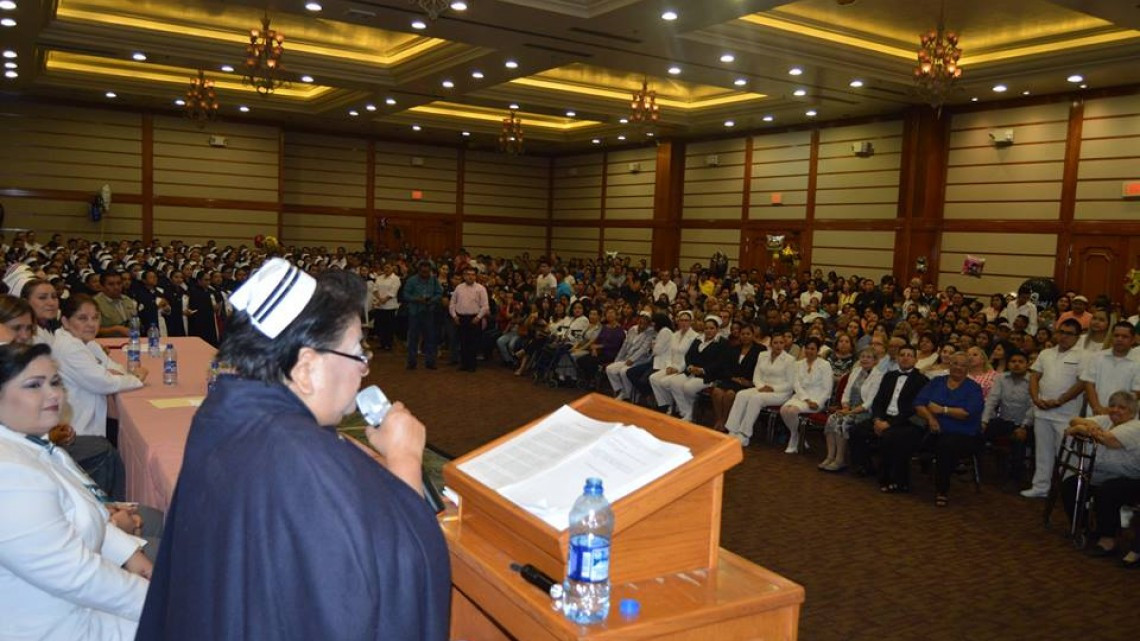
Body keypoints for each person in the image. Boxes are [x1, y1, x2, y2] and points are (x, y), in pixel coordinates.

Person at [137, 259, 449, 640]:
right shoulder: (303, 459)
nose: (364, 369)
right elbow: (388, 577)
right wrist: (405, 461)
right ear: (305, 368)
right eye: (357, 354)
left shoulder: (227, 411)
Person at [0, 342, 151, 641]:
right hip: (54, 627)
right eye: (34, 385)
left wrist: (130, 554)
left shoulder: (33, 445)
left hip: (79, 608)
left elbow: (87, 514)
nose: (54, 393)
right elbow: (75, 575)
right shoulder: (9, 473)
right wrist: (160, 604)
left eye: (55, 382)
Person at [1060, 391, 1140, 567]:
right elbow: (1074, 420)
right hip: (1101, 475)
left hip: (1130, 478)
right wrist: (1084, 425)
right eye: (1112, 406)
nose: (1115, 410)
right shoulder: (1106, 420)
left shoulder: (1135, 426)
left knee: (1108, 492)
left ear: (1132, 412)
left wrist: (1081, 429)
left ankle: (1108, 541)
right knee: (1070, 485)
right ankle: (1087, 530)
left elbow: (1109, 440)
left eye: (1122, 407)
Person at [1023, 318, 1086, 498]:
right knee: (1043, 452)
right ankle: (1041, 487)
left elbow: (1082, 383)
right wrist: (1036, 398)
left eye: (1069, 333)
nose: (1064, 337)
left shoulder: (1084, 355)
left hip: (1067, 413)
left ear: (1078, 336)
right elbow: (1034, 377)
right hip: (1042, 410)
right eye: (1061, 332)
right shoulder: (1046, 353)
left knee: (1068, 456)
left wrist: (1060, 400)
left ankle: (1070, 492)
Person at [913, 352, 986, 506]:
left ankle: (942, 490)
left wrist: (943, 410)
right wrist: (931, 418)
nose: (958, 367)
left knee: (945, 446)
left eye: (962, 365)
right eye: (955, 364)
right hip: (935, 429)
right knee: (906, 435)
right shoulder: (937, 382)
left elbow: (966, 413)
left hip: (964, 434)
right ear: (949, 365)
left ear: (968, 368)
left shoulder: (973, 388)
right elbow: (919, 403)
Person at [849, 345, 929, 482]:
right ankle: (867, 466)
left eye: (909, 355)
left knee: (890, 436)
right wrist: (877, 419)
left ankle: (891, 477)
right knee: (857, 430)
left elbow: (913, 408)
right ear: (897, 358)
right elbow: (878, 401)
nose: (905, 357)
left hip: (906, 421)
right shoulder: (888, 376)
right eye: (902, 354)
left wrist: (889, 423)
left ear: (915, 360)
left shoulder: (922, 380)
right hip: (884, 417)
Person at [724, 334, 796, 447]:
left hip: (780, 392)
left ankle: (745, 434)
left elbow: (790, 384)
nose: (778, 346)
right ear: (771, 344)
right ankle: (732, 430)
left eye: (781, 343)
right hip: (761, 388)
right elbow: (756, 375)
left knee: (756, 399)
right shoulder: (762, 355)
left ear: (784, 344)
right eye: (775, 343)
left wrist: (772, 388)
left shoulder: (790, 360)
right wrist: (760, 386)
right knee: (741, 394)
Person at [821, 347, 882, 472]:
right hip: (849, 408)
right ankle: (830, 456)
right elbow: (846, 392)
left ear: (875, 361)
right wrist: (845, 405)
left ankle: (840, 459)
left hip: (864, 412)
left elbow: (870, 402)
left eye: (869, 357)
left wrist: (850, 412)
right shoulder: (855, 371)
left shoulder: (878, 376)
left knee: (842, 421)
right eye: (863, 356)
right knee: (832, 419)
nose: (865, 359)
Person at [981, 349, 1035, 482]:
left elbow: (1034, 405)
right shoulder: (1001, 378)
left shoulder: (1034, 381)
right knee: (979, 431)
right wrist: (984, 421)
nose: (1016, 364)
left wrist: (1023, 426)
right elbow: (992, 400)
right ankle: (979, 470)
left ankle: (1015, 477)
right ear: (1008, 364)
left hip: (1026, 424)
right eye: (1013, 361)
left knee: (1019, 439)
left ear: (1027, 365)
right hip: (1005, 421)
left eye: (1020, 362)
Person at [778, 337, 834, 454]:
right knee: (784, 410)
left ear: (818, 350)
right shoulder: (798, 364)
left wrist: (817, 402)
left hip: (817, 399)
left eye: (812, 349)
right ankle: (796, 435)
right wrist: (806, 399)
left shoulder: (825, 365)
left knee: (792, 411)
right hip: (801, 396)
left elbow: (827, 388)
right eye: (807, 348)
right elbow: (796, 384)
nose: (809, 351)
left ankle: (793, 440)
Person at [666, 315, 726, 422]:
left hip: (708, 375)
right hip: (692, 372)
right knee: (674, 382)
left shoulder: (722, 343)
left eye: (712, 328)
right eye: (706, 328)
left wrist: (702, 369)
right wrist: (690, 366)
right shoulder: (698, 339)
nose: (708, 331)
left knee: (688, 387)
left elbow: (720, 362)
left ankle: (690, 413)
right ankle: (686, 411)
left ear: (717, 329)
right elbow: (688, 355)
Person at [710, 325, 764, 432]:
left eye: (748, 334)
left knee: (730, 394)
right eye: (743, 334)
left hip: (746, 382)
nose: (745, 336)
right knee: (716, 392)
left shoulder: (760, 350)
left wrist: (749, 382)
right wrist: (732, 377)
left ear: (753, 335)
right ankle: (719, 419)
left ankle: (726, 421)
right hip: (731, 379)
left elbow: (760, 369)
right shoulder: (733, 349)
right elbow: (725, 366)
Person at [1081, 322, 1140, 416]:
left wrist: (1112, 410)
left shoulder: (1138, 361)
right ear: (1111, 337)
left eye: (1125, 337)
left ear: (1133, 340)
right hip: (1095, 414)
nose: (1119, 339)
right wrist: (1097, 407)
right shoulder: (1097, 357)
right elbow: (1089, 384)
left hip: (1124, 418)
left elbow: (1137, 392)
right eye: (1116, 335)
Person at [648, 310, 697, 414]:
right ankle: (665, 404)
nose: (684, 323)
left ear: (691, 322)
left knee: (665, 382)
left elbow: (690, 356)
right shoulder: (675, 335)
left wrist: (678, 369)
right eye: (681, 320)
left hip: (684, 368)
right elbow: (669, 353)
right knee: (653, 378)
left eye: (686, 320)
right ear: (678, 322)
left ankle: (679, 408)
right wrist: (669, 366)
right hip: (672, 365)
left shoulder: (694, 337)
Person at [403, 260, 443, 370]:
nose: (425, 270)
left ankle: (430, 362)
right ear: (419, 269)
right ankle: (412, 362)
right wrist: (416, 299)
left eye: (427, 268)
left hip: (429, 311)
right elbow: (405, 294)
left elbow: (439, 293)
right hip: (415, 312)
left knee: (430, 338)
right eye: (423, 268)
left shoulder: (434, 280)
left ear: (430, 269)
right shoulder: (411, 280)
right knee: (413, 338)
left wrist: (432, 300)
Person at [605, 310, 654, 400]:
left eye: (645, 320)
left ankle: (629, 395)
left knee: (624, 371)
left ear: (648, 322)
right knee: (610, 369)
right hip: (626, 358)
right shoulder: (632, 329)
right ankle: (622, 390)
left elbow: (643, 349)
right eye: (641, 319)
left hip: (640, 360)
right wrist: (617, 359)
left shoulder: (650, 332)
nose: (642, 322)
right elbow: (624, 345)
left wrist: (632, 359)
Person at [449, 266, 489, 372]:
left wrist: (478, 317)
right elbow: (452, 303)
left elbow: (485, 306)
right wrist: (454, 316)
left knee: (473, 343)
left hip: (474, 318)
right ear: (464, 276)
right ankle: (464, 364)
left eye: (472, 275)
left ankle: (472, 365)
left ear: (475, 276)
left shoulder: (481, 289)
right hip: (461, 317)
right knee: (463, 342)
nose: (470, 277)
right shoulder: (459, 288)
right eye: (468, 274)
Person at [94, 272, 140, 339]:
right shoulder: (94, 303)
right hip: (107, 343)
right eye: (111, 284)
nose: (116, 287)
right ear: (102, 286)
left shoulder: (127, 300)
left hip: (130, 340)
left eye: (119, 283)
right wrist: (116, 329)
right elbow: (92, 330)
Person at [371, 262, 400, 351]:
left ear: (392, 268)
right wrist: (379, 299)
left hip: (390, 306)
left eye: (388, 267)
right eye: (385, 267)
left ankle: (388, 344)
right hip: (379, 305)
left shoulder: (395, 279)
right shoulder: (379, 278)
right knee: (380, 325)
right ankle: (382, 343)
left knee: (389, 326)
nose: (386, 269)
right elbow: (375, 289)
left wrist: (384, 300)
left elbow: (393, 292)